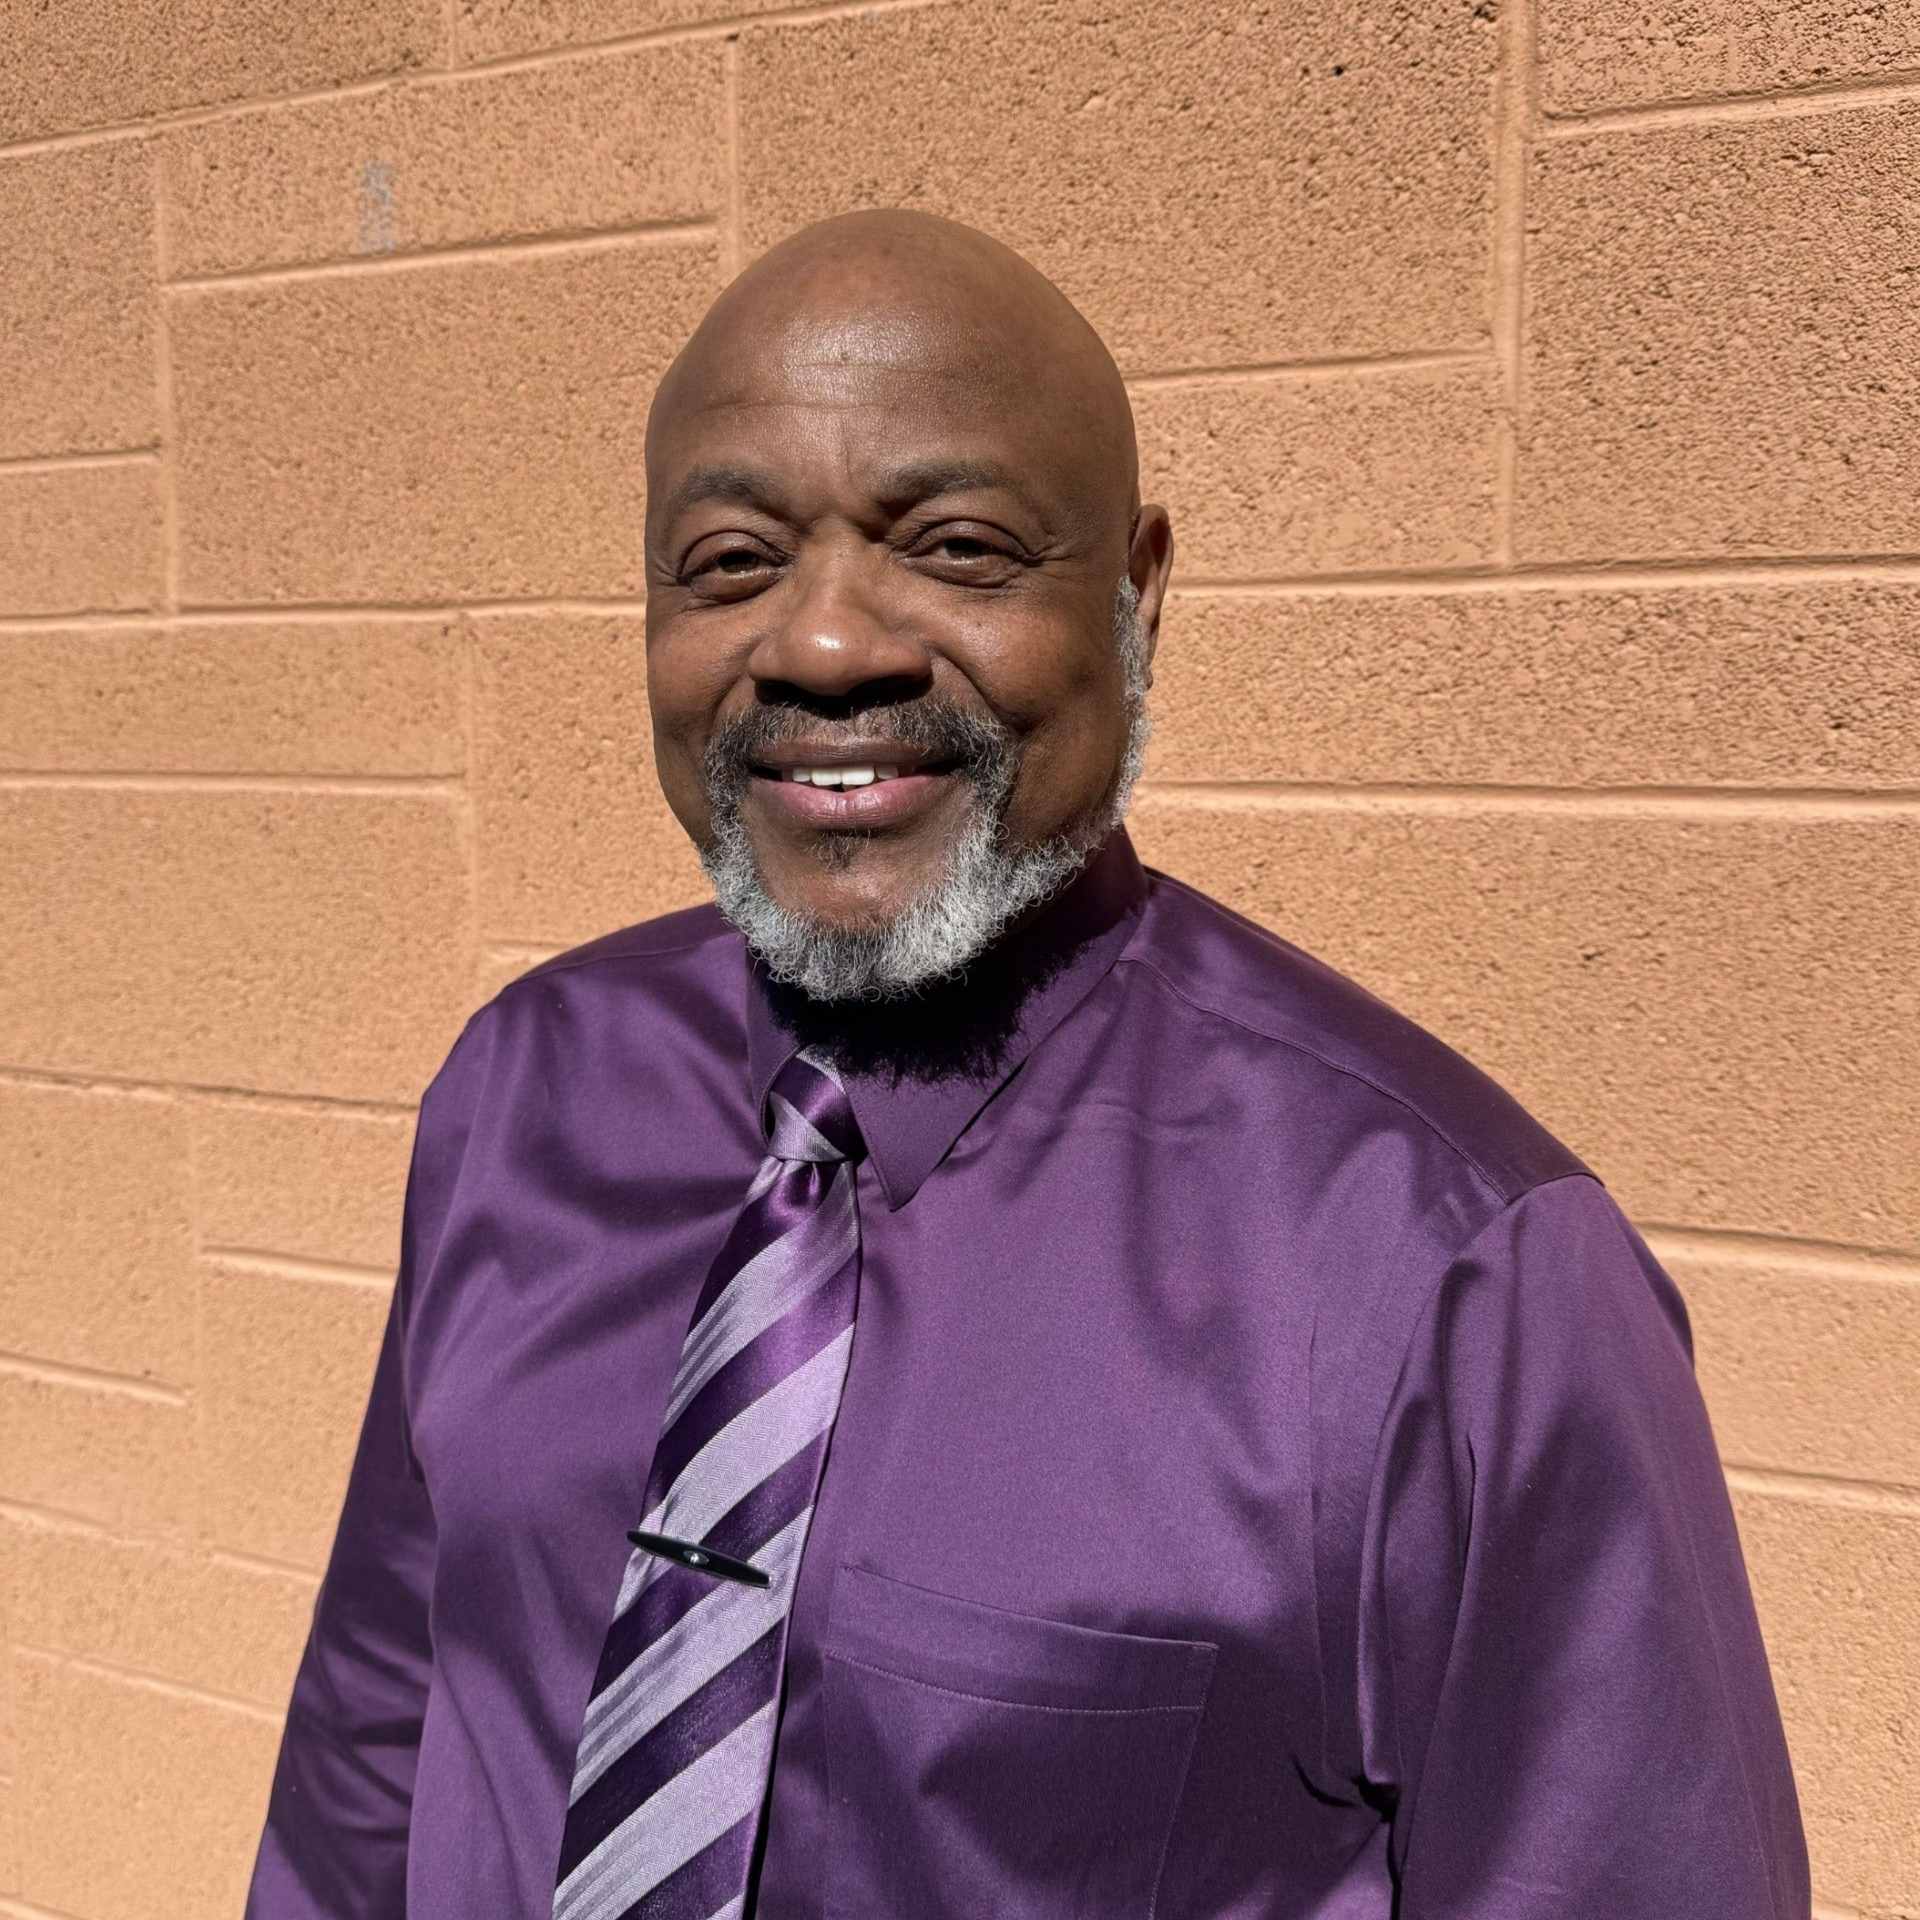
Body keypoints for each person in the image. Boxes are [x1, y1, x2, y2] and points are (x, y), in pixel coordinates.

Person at [244, 210, 1810, 1920]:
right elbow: (373, 1757)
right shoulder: (519, 1092)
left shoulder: (1458, 1277)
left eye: (961, 546)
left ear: (1137, 597)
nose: (826, 645)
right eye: (730, 564)